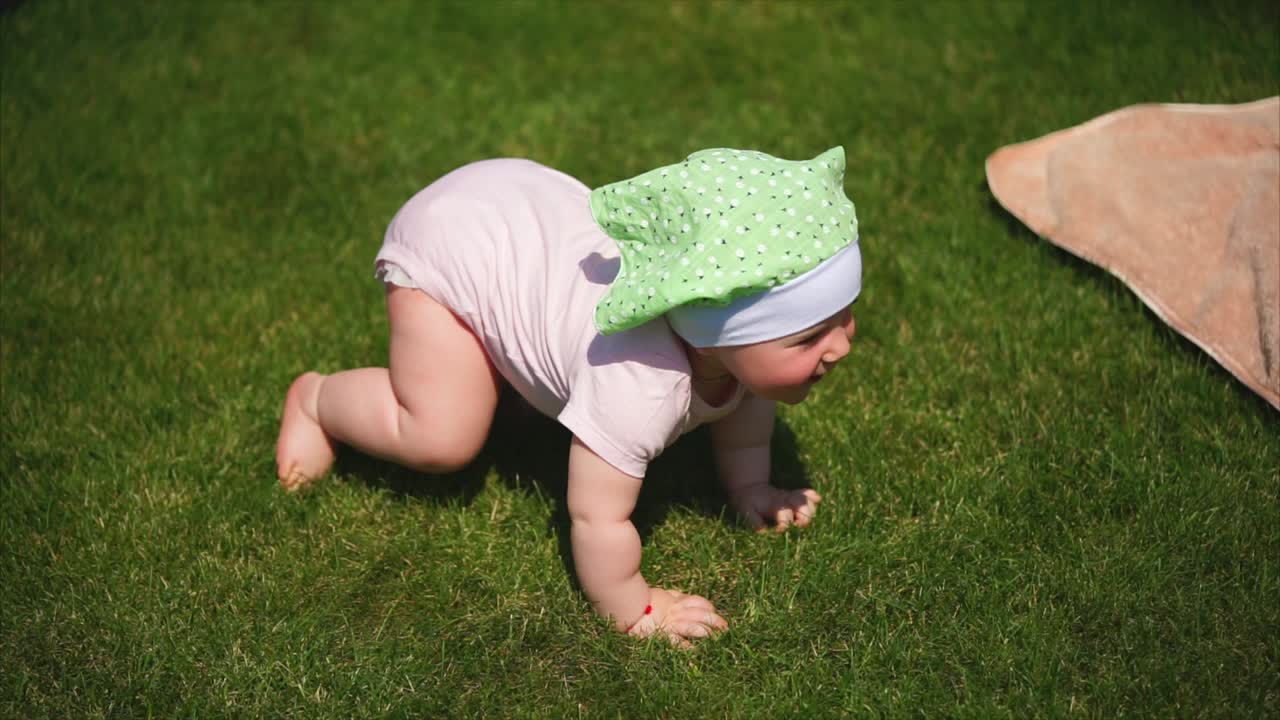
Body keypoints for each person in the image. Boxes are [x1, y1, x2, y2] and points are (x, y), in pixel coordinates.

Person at [276, 146, 862, 644]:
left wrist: (750, 486)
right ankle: (316, 401)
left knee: (507, 404)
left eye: (844, 316)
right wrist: (635, 608)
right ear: (718, 335)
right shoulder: (639, 390)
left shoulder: (727, 353)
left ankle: (504, 371)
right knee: (442, 436)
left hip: (513, 209)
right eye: (810, 336)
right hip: (455, 247)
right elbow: (595, 516)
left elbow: (746, 405)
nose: (840, 347)